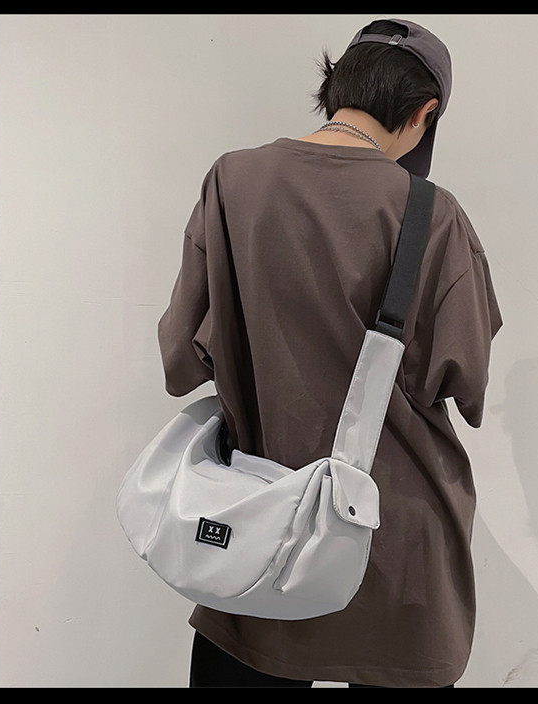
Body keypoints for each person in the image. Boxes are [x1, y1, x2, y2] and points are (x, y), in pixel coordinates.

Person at [158, 17, 502, 688]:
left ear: (335, 86)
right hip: (394, 546)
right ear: (425, 113)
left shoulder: (232, 183)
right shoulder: (434, 215)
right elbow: (464, 380)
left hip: (259, 533)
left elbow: (181, 359)